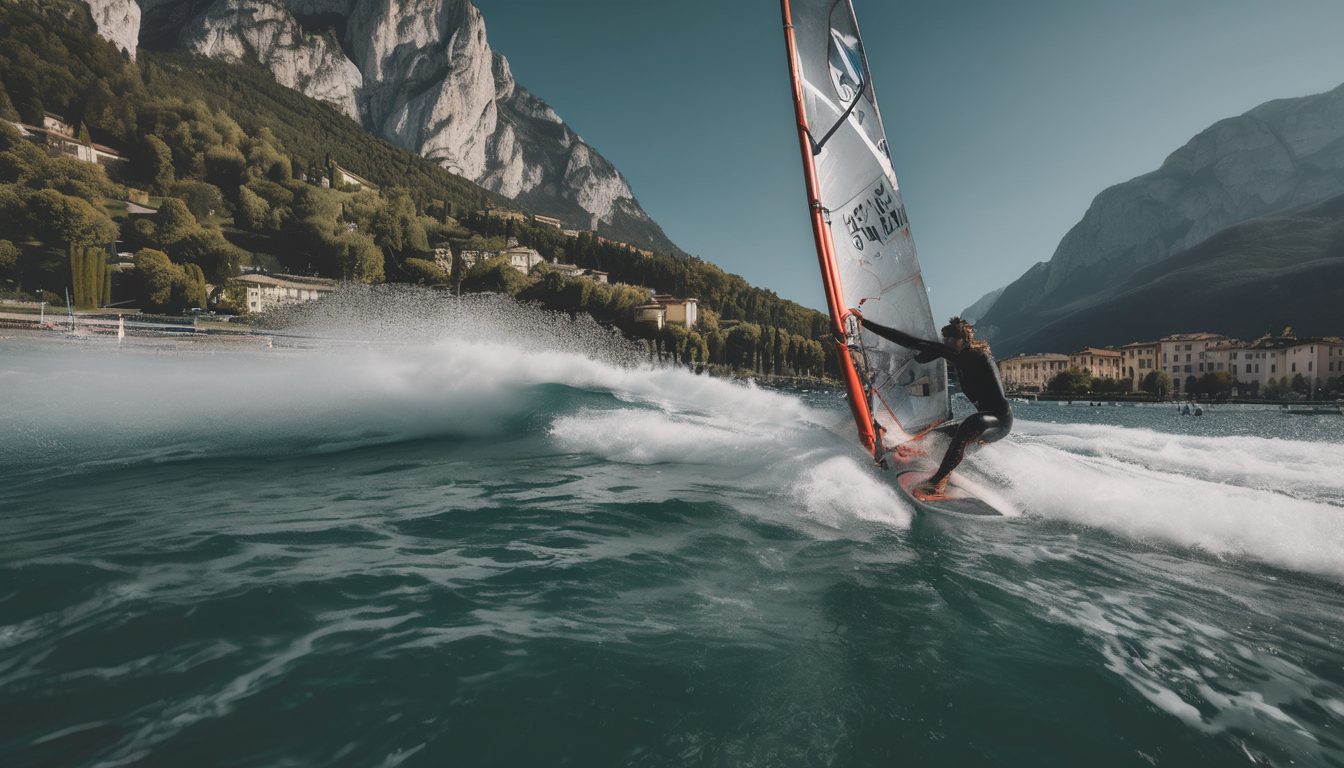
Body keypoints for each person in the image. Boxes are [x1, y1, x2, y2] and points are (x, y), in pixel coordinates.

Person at [852, 313, 1012, 499]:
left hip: (999, 420)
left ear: (962, 339)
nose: (948, 343)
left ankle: (937, 482)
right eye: (946, 339)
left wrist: (865, 322)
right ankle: (931, 462)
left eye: (952, 339)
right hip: (983, 422)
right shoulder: (955, 354)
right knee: (936, 435)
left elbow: (999, 397)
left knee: (968, 425)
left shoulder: (981, 357)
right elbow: (911, 342)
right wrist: (865, 323)